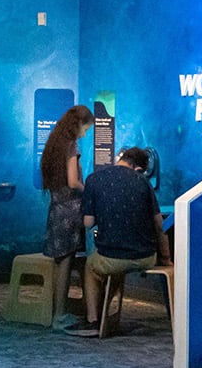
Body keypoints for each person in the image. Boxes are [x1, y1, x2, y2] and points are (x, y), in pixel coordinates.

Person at [70, 147, 170, 338]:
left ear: (122, 159)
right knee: (116, 270)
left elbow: (88, 223)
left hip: (111, 257)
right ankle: (103, 314)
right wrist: (166, 259)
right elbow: (159, 225)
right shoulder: (142, 181)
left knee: (91, 267)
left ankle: (93, 321)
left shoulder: (94, 179)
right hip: (145, 257)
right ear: (139, 168)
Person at [40, 105, 93, 328]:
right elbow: (73, 182)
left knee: (58, 260)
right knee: (66, 261)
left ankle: (56, 312)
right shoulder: (72, 146)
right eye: (86, 128)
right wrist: (88, 189)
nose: (86, 133)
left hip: (56, 208)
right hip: (70, 211)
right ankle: (60, 317)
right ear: (79, 124)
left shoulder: (54, 144)